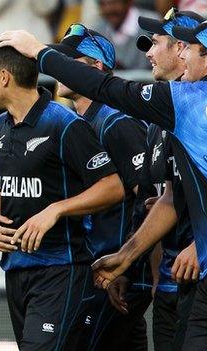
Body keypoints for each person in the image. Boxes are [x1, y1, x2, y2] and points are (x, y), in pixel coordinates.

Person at [0, 18, 207, 350]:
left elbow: (108, 88)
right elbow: (176, 197)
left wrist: (39, 52)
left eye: (189, 49)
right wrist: (127, 256)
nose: (182, 56)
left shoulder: (185, 99)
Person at [0, 35, 124, 350]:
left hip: (61, 269)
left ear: (4, 77)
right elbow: (2, 190)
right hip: (15, 269)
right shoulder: (0, 126)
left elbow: (112, 187)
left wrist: (56, 209)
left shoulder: (64, 124)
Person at [52, 24, 152, 351]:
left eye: (70, 62)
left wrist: (129, 264)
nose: (58, 68)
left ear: (96, 68)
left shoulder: (117, 120)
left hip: (117, 273)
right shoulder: (84, 121)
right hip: (102, 268)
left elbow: (149, 198)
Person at [135, 9, 204, 350]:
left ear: (181, 49)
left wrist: (200, 245)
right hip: (168, 281)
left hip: (206, 275)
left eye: (156, 42)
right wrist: (153, 272)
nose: (148, 52)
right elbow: (168, 196)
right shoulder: (156, 119)